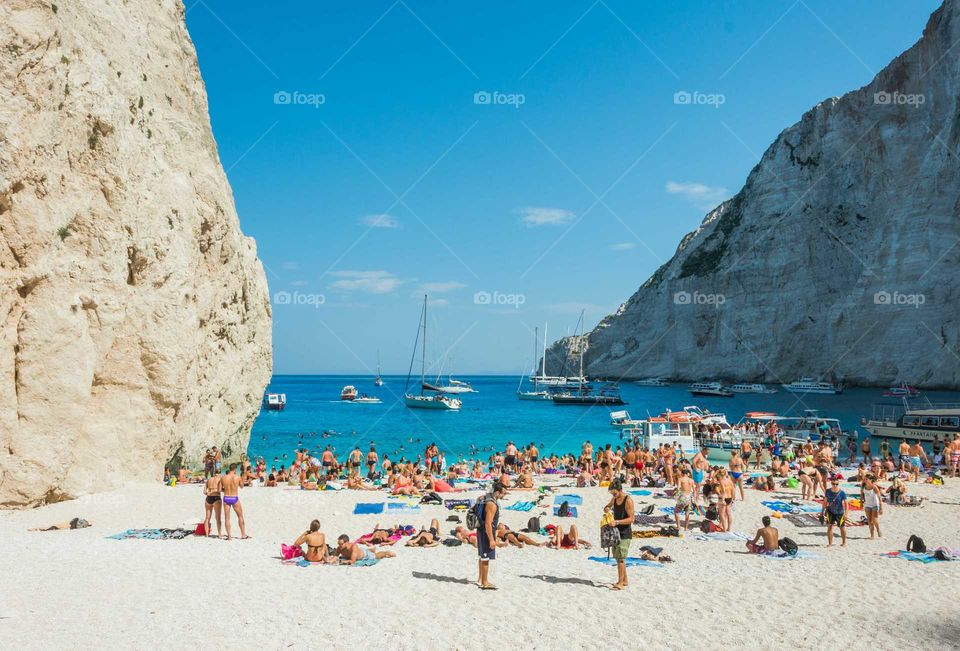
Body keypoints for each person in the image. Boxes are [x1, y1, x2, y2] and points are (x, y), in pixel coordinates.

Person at [476, 480, 507, 590]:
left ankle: (480, 578)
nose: (504, 495)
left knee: (482, 556)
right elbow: (488, 523)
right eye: (503, 493)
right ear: (497, 493)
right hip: (486, 532)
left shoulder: (485, 497)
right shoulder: (492, 505)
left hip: (480, 530)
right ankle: (485, 582)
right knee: (485, 557)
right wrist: (491, 540)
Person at [605, 480, 634, 590]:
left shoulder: (628, 500)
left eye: (614, 493)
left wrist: (617, 522)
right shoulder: (615, 498)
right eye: (612, 494)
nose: (613, 495)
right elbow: (607, 506)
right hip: (616, 532)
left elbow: (631, 519)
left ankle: (620, 583)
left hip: (625, 532)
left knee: (621, 558)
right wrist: (607, 508)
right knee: (618, 558)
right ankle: (624, 580)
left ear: (620, 490)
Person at [220, 463, 248, 540]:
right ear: (235, 469)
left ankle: (229, 536)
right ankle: (243, 534)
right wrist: (242, 478)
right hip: (234, 497)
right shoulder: (237, 477)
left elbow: (219, 489)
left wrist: (225, 489)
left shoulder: (223, 478)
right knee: (240, 516)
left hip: (226, 498)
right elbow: (242, 486)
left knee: (227, 518)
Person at [822, 478, 848, 547]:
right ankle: (830, 543)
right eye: (833, 484)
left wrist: (846, 514)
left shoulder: (842, 493)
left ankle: (844, 542)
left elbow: (846, 504)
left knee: (842, 527)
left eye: (837, 484)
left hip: (840, 512)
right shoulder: (827, 491)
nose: (835, 485)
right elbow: (825, 502)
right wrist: (822, 511)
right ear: (831, 483)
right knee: (830, 527)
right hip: (830, 511)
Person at [202, 472, 222, 538]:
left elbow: (204, 492)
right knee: (218, 517)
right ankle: (219, 534)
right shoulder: (220, 479)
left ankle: (207, 535)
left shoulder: (208, 480)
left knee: (207, 517)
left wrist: (210, 492)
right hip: (216, 498)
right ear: (218, 474)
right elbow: (219, 490)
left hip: (208, 498)